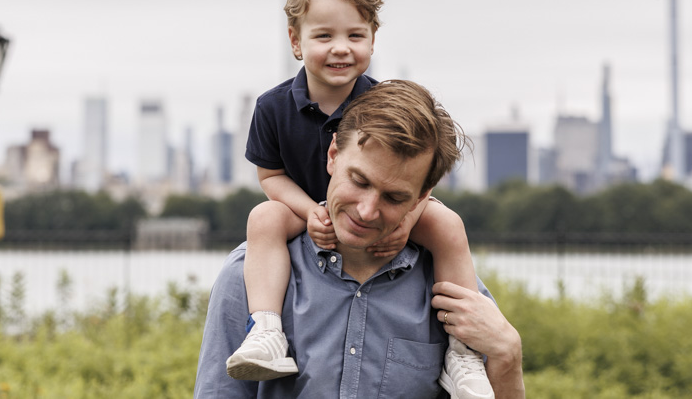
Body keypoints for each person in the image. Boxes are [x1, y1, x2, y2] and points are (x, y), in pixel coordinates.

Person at [227, 0, 491, 397]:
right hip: (306, 208)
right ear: (295, 41)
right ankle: (267, 329)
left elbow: (419, 178)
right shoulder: (272, 107)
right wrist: (309, 211)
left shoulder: (384, 105)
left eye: (355, 35)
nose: (341, 49)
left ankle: (463, 352)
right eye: (323, 36)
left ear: (372, 38)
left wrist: (405, 222)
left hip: (382, 213)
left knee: (446, 224)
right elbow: (270, 175)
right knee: (263, 218)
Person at [196, 80, 525, 398]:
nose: (367, 211)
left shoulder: (452, 287)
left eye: (394, 197)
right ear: (333, 154)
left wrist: (507, 353)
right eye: (359, 181)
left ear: (422, 197)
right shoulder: (247, 275)